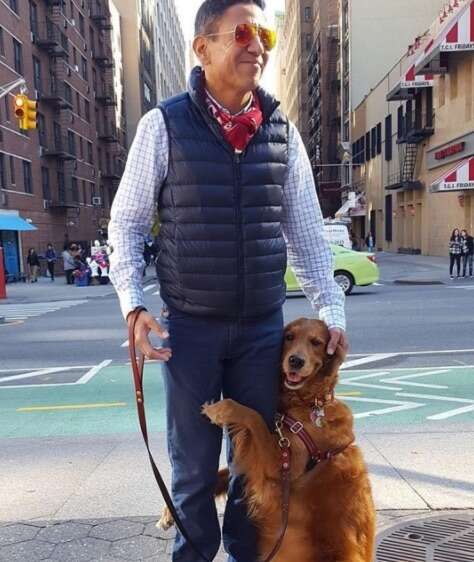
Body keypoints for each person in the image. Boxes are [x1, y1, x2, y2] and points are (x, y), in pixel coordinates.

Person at [108, 1, 347, 560]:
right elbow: (127, 222)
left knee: (254, 471)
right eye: (242, 32)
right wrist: (133, 307)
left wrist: (332, 316)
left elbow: (310, 238)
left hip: (263, 332)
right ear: (203, 47)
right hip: (189, 332)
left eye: (263, 32)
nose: (257, 44)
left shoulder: (283, 134)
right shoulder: (162, 126)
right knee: (192, 473)